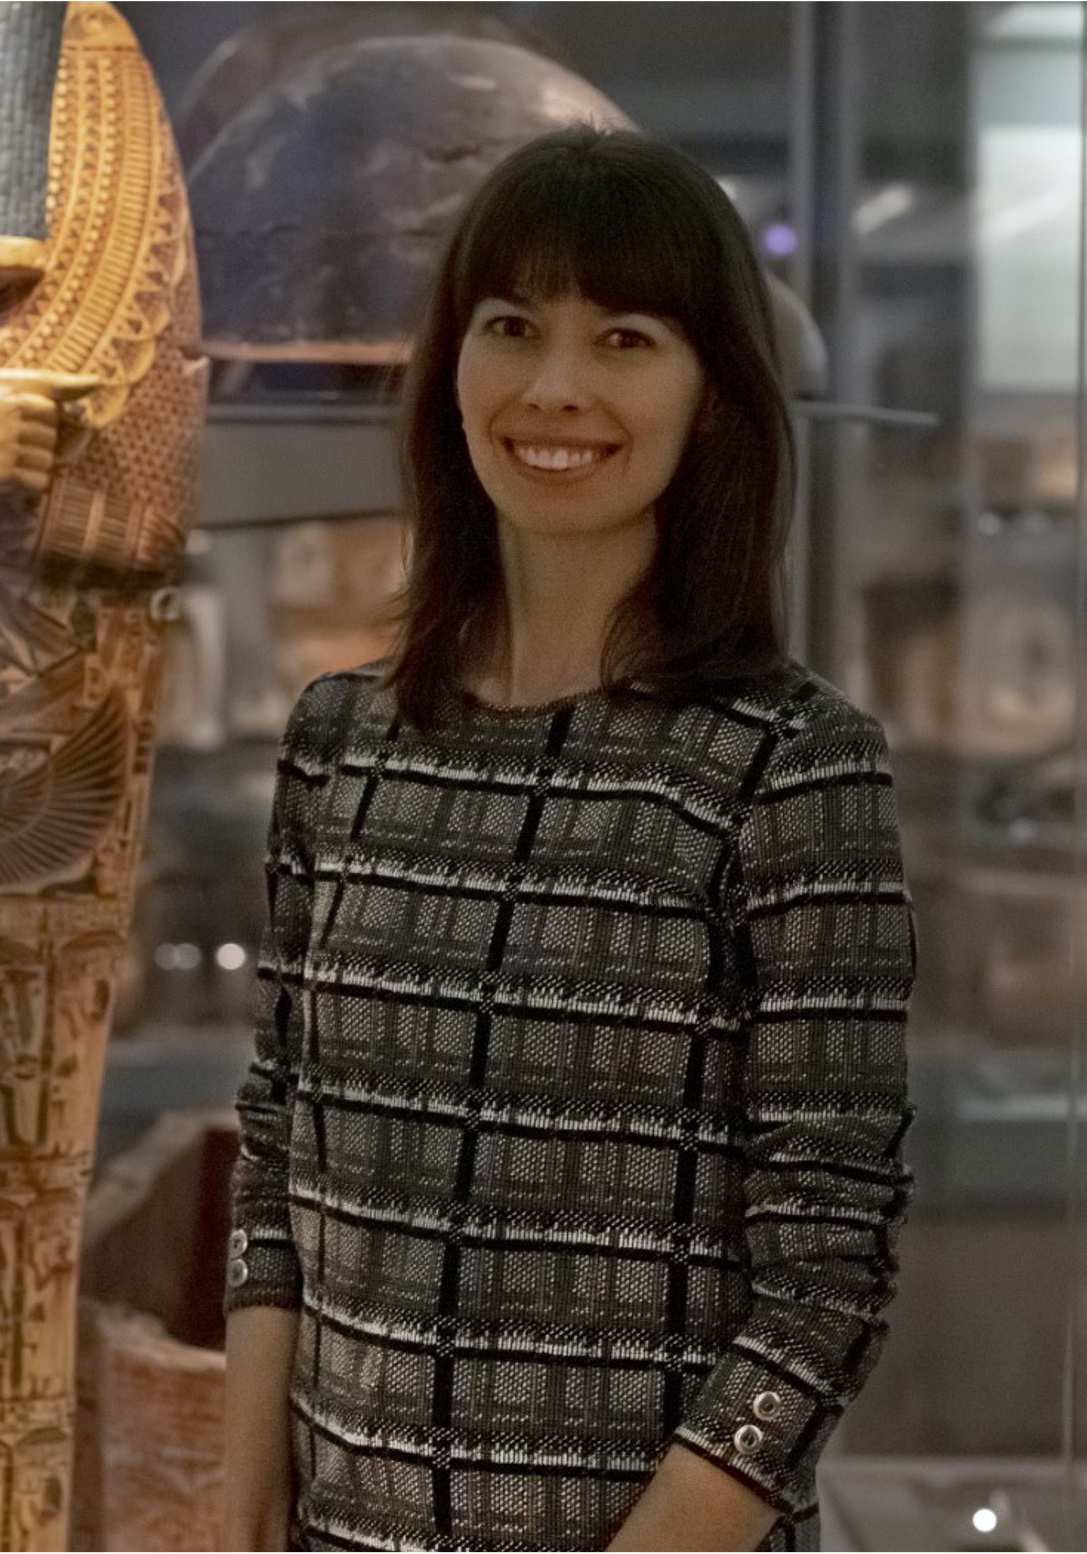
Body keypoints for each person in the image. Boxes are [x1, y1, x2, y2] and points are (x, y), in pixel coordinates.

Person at [223, 125, 917, 1553]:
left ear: (713, 392)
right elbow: (277, 1161)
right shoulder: (340, 736)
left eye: (625, 338)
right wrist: (233, 1512)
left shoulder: (790, 764)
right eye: (513, 326)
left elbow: (825, 1281)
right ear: (452, 367)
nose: (556, 387)